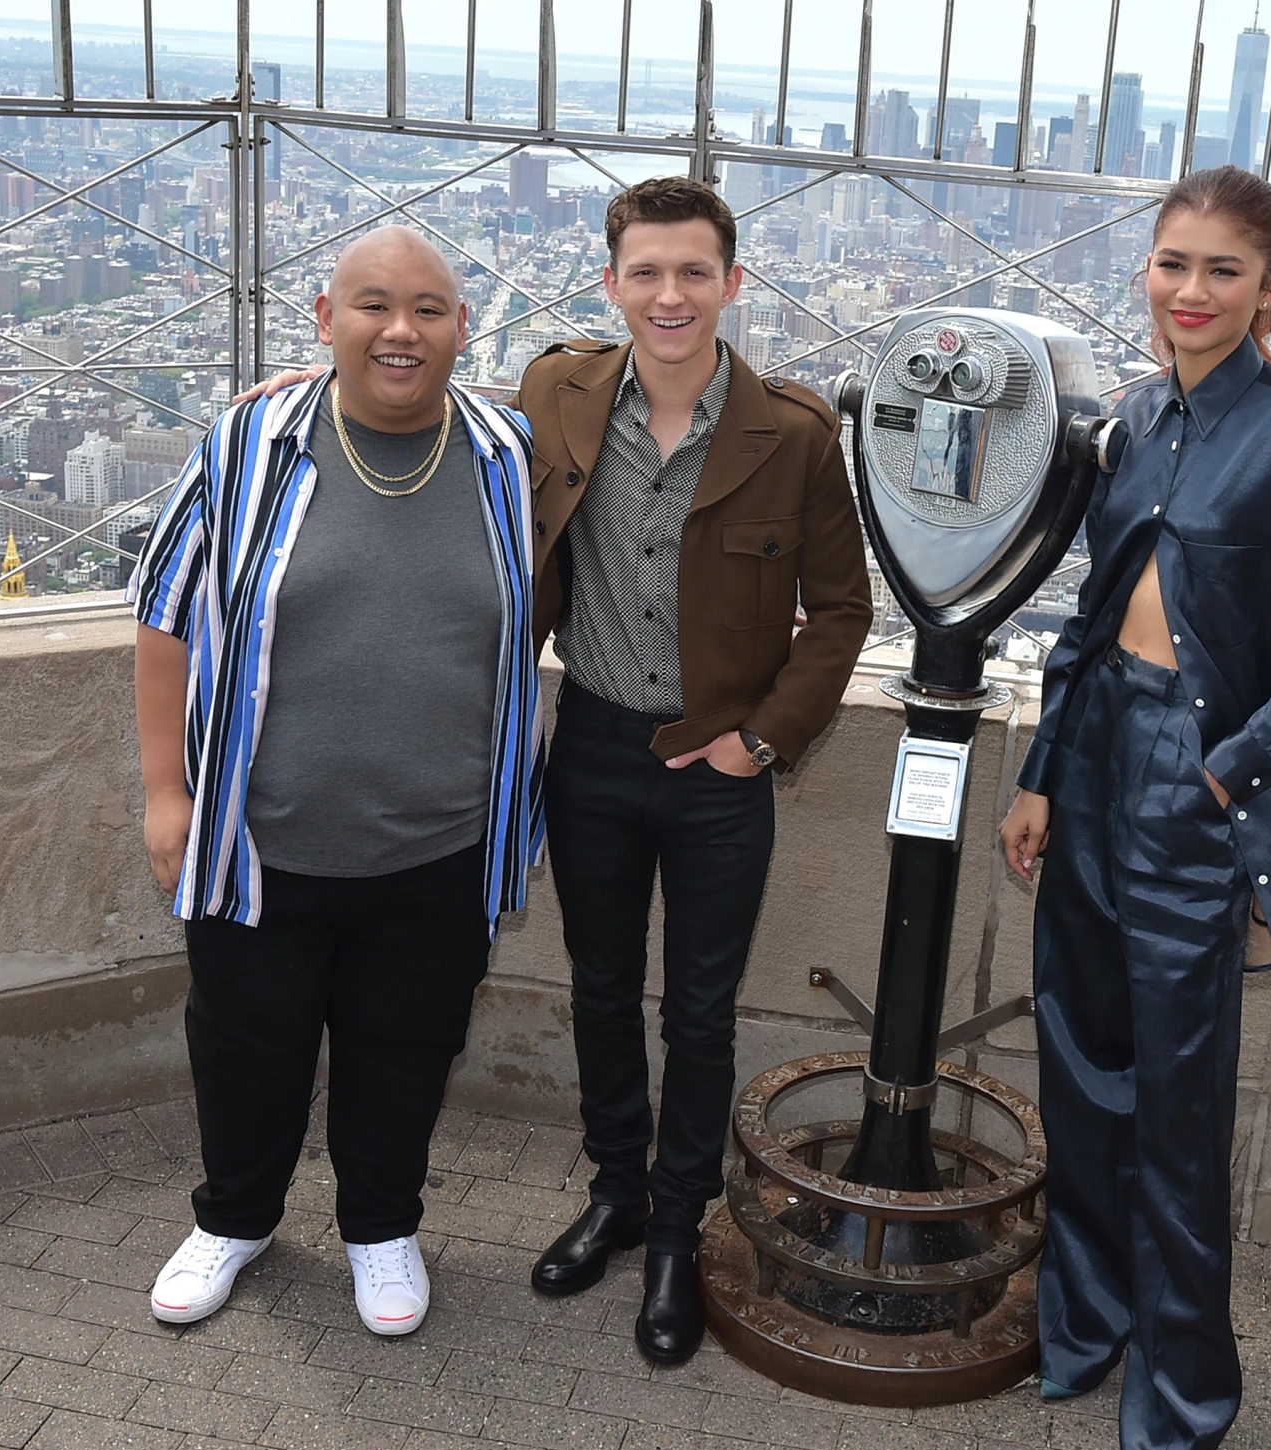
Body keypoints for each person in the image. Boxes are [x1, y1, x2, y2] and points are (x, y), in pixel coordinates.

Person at [243, 177, 872, 1365]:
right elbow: (428, 405)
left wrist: (763, 739)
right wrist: (310, 388)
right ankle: (617, 1190)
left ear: (733, 285)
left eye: (694, 273)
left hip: (718, 764)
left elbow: (841, 608)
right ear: (612, 284)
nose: (670, 295)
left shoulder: (792, 434)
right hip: (588, 741)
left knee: (697, 1008)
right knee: (595, 985)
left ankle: (681, 1229)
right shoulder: (558, 390)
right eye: (647, 273)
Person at [998, 166, 1271, 1450]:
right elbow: (1091, 610)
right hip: (1102, 747)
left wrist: (1238, 765)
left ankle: (1185, 1396)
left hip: (1199, 775)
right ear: (1148, 274)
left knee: (1175, 1105)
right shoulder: (1137, 418)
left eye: (1223, 270)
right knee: (1081, 1063)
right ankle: (1087, 1322)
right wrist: (1045, 769)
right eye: (1174, 263)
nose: (1193, 290)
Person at [130, 226, 543, 1339]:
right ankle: (234, 1220)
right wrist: (168, 792)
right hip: (261, 838)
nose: (399, 330)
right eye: (371, 306)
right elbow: (164, 614)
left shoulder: (510, 451)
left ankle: (381, 1228)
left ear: (465, 327)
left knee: (406, 1048)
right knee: (244, 1042)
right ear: (323, 319)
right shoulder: (246, 441)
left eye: (428, 308)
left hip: (442, 844)